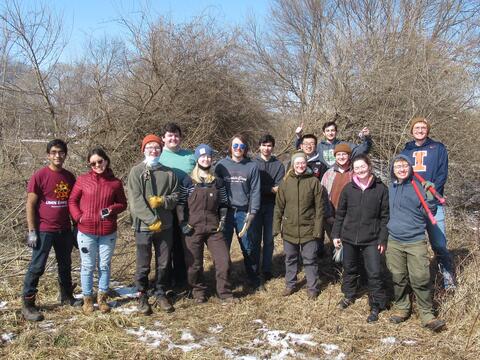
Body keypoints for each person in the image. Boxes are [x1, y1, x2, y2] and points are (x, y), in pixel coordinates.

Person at [22, 139, 82, 322]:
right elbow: (30, 204)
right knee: (37, 266)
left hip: (64, 229)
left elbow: (73, 203)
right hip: (44, 230)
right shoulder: (39, 176)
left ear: (65, 154)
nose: (58, 155)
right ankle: (28, 304)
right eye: (54, 152)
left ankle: (66, 297)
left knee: (65, 265)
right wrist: (32, 230)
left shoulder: (69, 177)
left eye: (61, 152)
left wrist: (76, 228)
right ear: (48, 155)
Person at [386, 155, 446, 332]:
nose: (402, 169)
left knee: (420, 278)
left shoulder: (418, 186)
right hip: (394, 240)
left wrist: (430, 195)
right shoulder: (390, 188)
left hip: (415, 240)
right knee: (398, 277)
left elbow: (431, 211)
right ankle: (402, 308)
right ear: (393, 170)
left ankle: (427, 314)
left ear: (410, 168)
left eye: (405, 165)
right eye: (398, 166)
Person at [68, 147, 127, 315]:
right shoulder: (82, 180)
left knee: (104, 265)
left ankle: (102, 299)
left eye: (99, 161)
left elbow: (123, 204)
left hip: (108, 232)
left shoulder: (115, 183)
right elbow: (72, 200)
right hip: (86, 231)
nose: (97, 165)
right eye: (93, 163)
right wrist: (78, 217)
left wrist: (112, 209)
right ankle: (88, 299)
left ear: (106, 161)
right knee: (87, 266)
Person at [332, 154, 389, 323]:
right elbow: (340, 214)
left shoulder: (381, 189)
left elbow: (385, 217)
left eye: (363, 167)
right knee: (349, 268)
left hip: (372, 239)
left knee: (374, 272)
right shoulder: (349, 189)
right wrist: (336, 234)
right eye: (357, 168)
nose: (360, 170)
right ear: (353, 170)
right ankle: (349, 295)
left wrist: (382, 239)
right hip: (349, 238)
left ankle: (376, 305)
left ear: (369, 167)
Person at [176, 144, 237, 303]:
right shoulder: (188, 180)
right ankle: (198, 292)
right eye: (202, 156)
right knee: (194, 265)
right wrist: (183, 223)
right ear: (197, 158)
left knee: (224, 261)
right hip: (192, 228)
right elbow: (181, 204)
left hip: (214, 228)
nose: (206, 159)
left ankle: (225, 293)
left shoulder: (218, 182)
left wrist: (223, 220)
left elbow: (224, 203)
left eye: (209, 156)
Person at [401, 116, 455, 290]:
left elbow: (442, 173)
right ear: (411, 130)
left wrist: (431, 191)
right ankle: (417, 281)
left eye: (423, 127)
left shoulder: (438, 148)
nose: (420, 130)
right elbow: (402, 174)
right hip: (413, 205)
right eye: (416, 127)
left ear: (428, 130)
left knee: (439, 243)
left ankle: (448, 280)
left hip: (433, 203)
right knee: (414, 244)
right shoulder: (406, 150)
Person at [128, 134, 178, 315]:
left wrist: (163, 201)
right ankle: (141, 294)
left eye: (157, 147)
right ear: (143, 150)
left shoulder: (169, 172)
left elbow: (175, 198)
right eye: (149, 147)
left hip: (165, 227)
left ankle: (160, 292)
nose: (153, 150)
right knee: (143, 264)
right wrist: (151, 220)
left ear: (161, 150)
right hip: (143, 226)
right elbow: (135, 201)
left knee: (163, 263)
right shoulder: (136, 172)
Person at [214, 134, 262, 291]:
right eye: (235, 146)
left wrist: (252, 212)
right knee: (223, 248)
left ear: (245, 149)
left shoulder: (252, 166)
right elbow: (214, 188)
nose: (238, 149)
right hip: (225, 213)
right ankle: (224, 282)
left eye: (241, 146)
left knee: (249, 247)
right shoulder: (221, 165)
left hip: (244, 212)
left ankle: (254, 279)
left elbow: (255, 190)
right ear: (230, 147)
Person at [273, 151, 324, 299]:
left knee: (310, 259)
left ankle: (312, 287)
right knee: (290, 258)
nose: (300, 165)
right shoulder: (285, 183)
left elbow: (320, 209)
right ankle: (290, 284)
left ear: (306, 164)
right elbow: (279, 207)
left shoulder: (314, 182)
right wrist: (276, 226)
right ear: (293, 165)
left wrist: (318, 229)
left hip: (309, 229)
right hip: (289, 229)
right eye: (297, 163)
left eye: (303, 163)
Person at [159, 122, 196, 290]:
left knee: (184, 245)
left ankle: (183, 281)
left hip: (188, 207)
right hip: (166, 207)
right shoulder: (158, 156)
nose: (173, 138)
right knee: (167, 245)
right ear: (163, 138)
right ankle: (165, 282)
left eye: (176, 135)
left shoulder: (190, 155)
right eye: (169, 135)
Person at [252, 135, 285, 281]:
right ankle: (253, 269)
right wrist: (270, 189)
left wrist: (264, 189)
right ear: (259, 146)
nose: (267, 148)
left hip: (272, 207)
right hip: (254, 206)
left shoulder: (278, 165)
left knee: (269, 239)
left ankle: (266, 269)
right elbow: (252, 186)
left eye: (269, 145)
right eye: (264, 145)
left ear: (273, 147)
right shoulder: (252, 163)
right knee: (254, 239)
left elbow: (280, 187)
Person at [295, 121, 371, 168]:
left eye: (332, 130)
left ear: (336, 132)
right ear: (324, 133)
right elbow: (302, 149)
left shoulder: (345, 145)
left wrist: (367, 138)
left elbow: (362, 150)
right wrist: (298, 136)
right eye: (327, 131)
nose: (330, 133)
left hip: (341, 176)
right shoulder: (318, 147)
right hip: (324, 178)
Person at [321, 143, 353, 240]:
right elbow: (322, 196)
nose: (341, 157)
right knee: (335, 245)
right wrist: (328, 215)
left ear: (349, 155)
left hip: (351, 218)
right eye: (338, 154)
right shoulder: (328, 173)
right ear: (335, 156)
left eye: (344, 154)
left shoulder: (355, 172)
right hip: (332, 217)